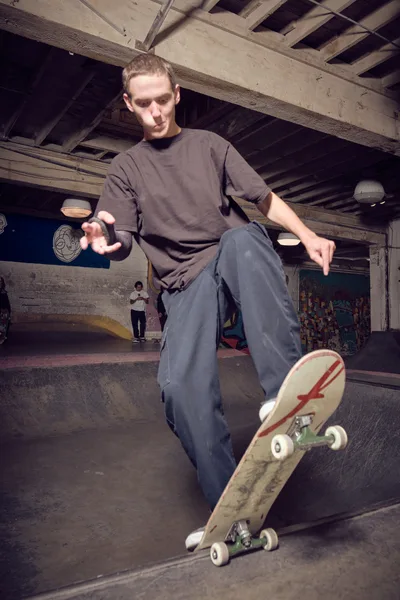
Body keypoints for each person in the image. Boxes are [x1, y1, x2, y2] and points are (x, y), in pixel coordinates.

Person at [80, 54, 335, 548]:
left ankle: (287, 395)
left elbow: (262, 198)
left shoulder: (211, 146)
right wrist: (104, 235)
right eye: (144, 103)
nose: (156, 112)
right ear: (129, 105)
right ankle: (230, 510)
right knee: (179, 389)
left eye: (163, 100)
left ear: (177, 95)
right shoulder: (126, 168)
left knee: (243, 239)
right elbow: (118, 231)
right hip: (184, 285)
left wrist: (307, 233)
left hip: (230, 255)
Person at [0, 277, 11, 344]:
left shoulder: (4, 292)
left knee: (3, 328)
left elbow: (7, 304)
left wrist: (9, 313)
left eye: (0, 281)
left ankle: (2, 338)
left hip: (3, 313)